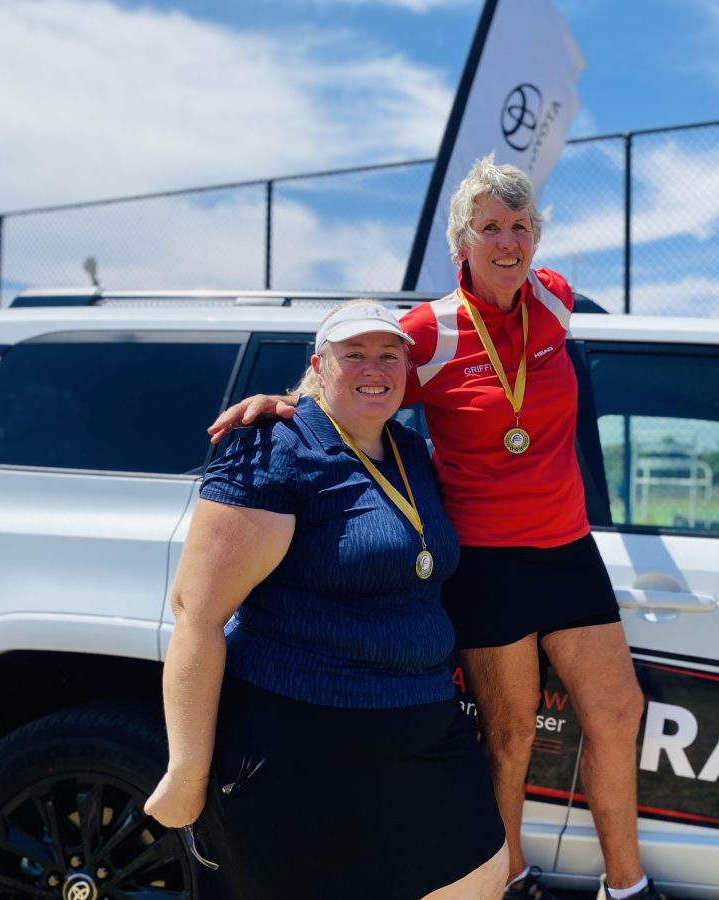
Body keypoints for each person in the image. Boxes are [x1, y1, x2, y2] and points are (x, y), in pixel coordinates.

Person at [210, 157, 665, 900]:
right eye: (491, 227)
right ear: (463, 242)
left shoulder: (553, 301)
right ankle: (510, 877)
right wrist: (283, 398)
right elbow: (360, 377)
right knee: (512, 731)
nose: (508, 241)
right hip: (488, 561)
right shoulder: (430, 331)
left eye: (520, 226)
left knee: (618, 710)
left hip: (568, 551)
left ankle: (627, 886)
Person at [146, 300, 508, 899]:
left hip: (422, 723)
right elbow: (197, 613)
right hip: (302, 726)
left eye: (389, 355)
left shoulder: (411, 452)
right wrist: (188, 768)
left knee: (481, 870)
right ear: (320, 365)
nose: (375, 367)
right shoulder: (274, 447)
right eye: (354, 354)